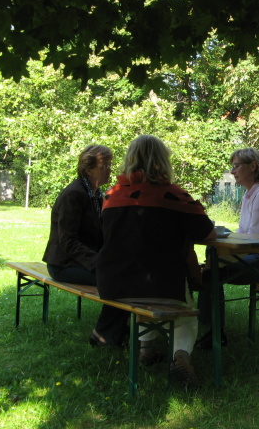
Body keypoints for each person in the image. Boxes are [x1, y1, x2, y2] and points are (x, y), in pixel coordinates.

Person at [95, 135, 216, 386]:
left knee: (143, 297)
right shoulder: (175, 196)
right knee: (185, 315)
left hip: (113, 285)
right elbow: (208, 234)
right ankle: (181, 358)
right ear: (163, 161)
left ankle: (146, 351)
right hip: (160, 283)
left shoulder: (111, 195)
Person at [196, 147, 259, 349]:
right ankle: (209, 329)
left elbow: (253, 240)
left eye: (236, 166)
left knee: (210, 274)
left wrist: (219, 257)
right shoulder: (251, 194)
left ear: (253, 166)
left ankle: (214, 333)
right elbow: (244, 232)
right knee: (210, 266)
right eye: (232, 167)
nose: (233, 171)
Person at [43, 144, 113, 285]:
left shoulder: (96, 194)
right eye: (104, 166)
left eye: (110, 165)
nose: (110, 170)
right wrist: (99, 263)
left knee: (125, 275)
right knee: (115, 280)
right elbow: (67, 241)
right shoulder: (74, 194)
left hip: (81, 262)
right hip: (64, 265)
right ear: (89, 170)